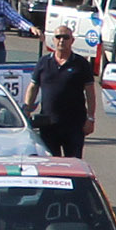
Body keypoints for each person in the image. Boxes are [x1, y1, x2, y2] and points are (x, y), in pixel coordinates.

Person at [23, 24, 97, 160]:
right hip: (48, 125)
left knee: (73, 164)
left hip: (74, 125)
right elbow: (33, 87)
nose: (62, 40)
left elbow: (90, 93)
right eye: (58, 37)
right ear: (53, 40)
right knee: (51, 164)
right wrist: (27, 110)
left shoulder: (81, 64)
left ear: (72, 40)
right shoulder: (44, 62)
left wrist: (90, 118)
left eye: (66, 37)